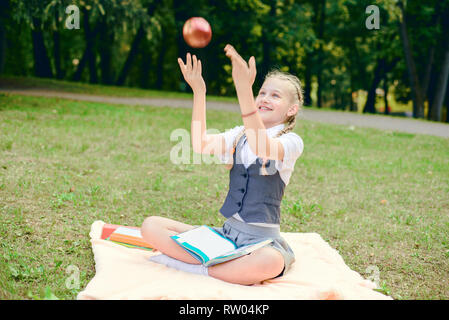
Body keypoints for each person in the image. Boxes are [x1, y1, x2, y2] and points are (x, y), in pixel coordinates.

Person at [141, 44, 304, 285]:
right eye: (261, 93)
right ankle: (217, 265)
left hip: (261, 244)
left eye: (275, 95)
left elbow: (262, 147)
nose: (265, 98)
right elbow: (200, 144)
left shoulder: (291, 142)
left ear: (292, 109)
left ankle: (195, 267)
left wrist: (243, 90)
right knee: (150, 226)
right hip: (227, 236)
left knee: (271, 262)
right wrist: (199, 92)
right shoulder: (240, 135)